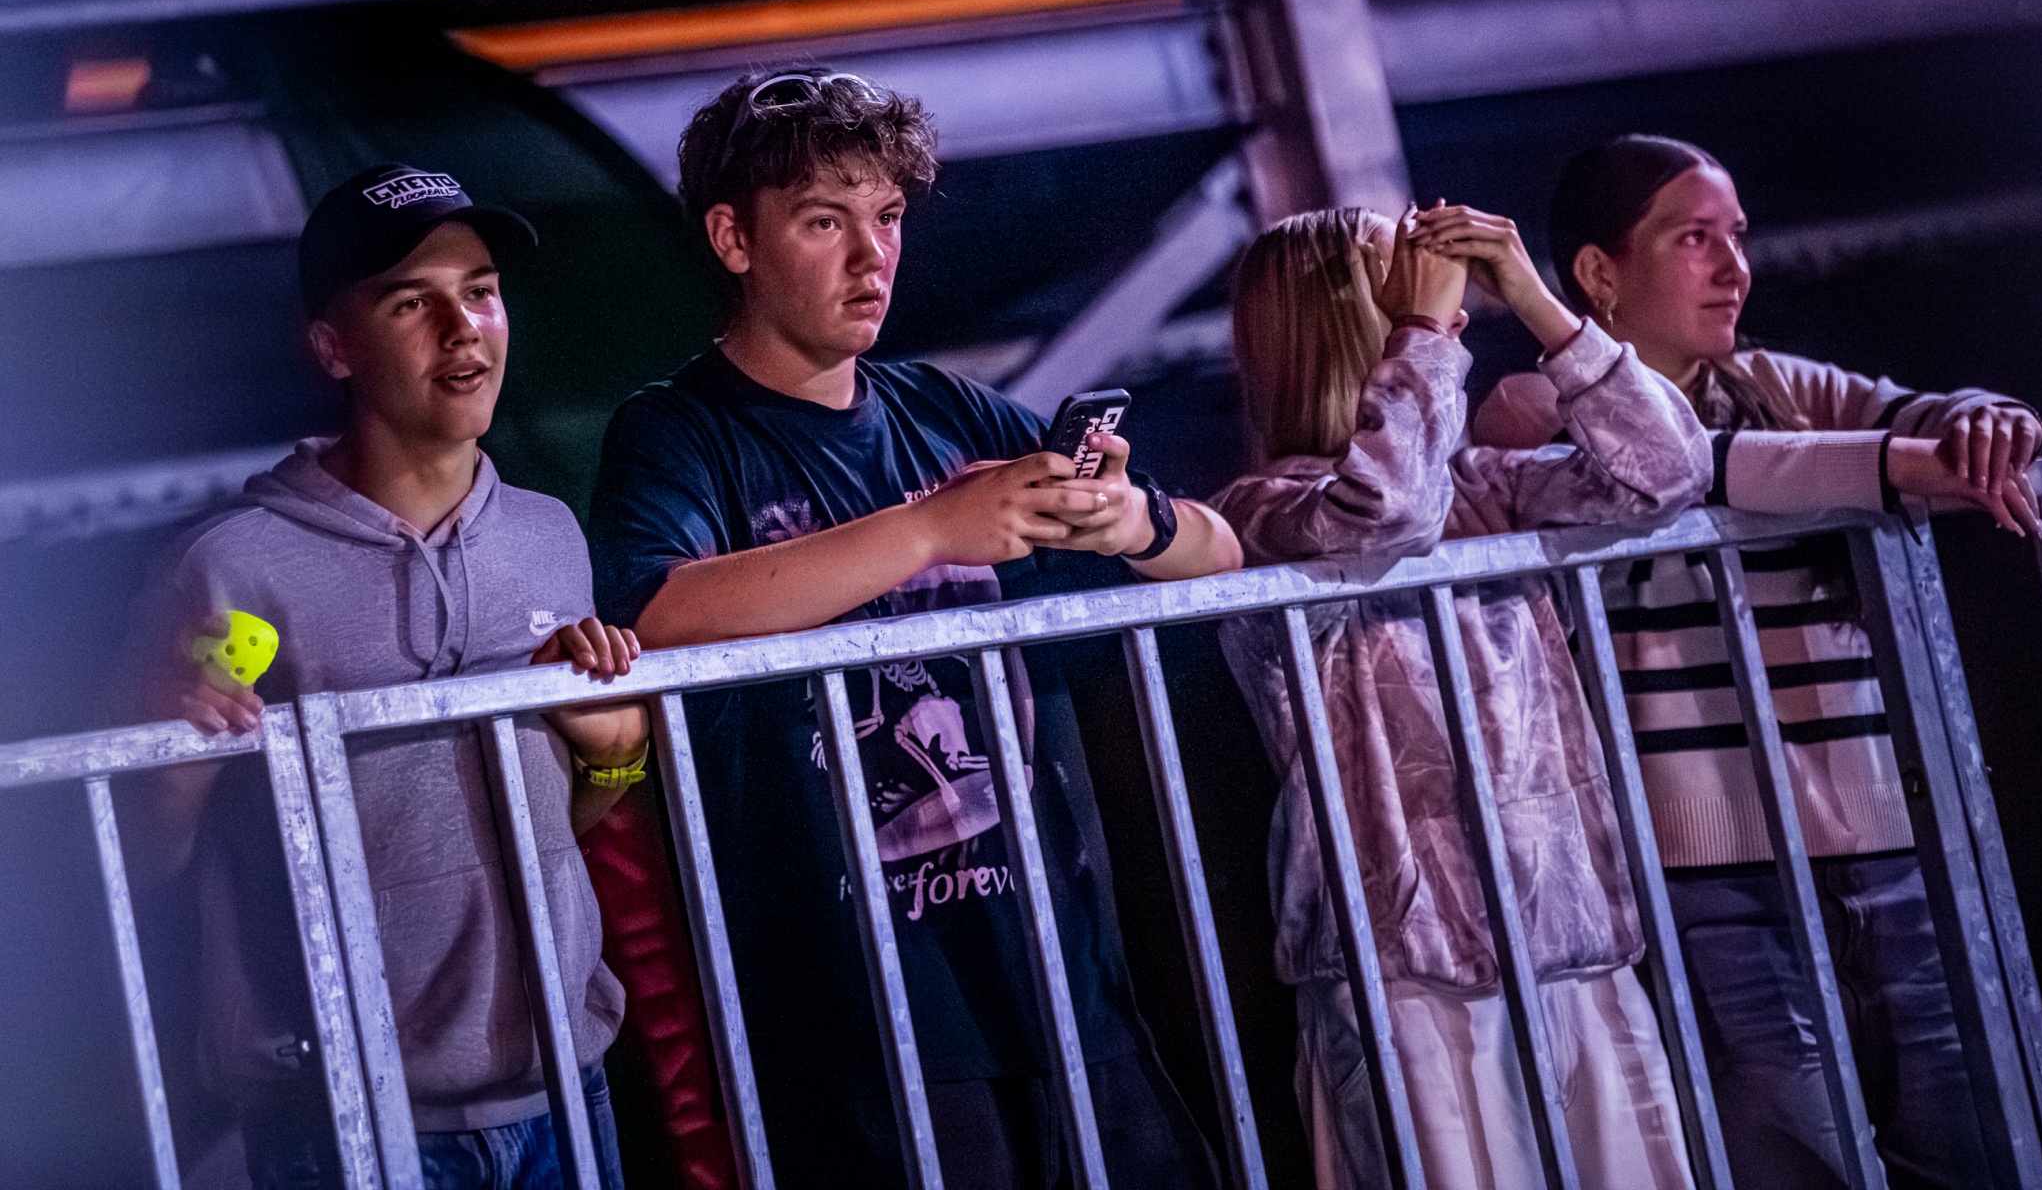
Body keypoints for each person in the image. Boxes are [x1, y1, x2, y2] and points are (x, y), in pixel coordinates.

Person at [585, 69, 1241, 1189]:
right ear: (733, 239)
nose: (871, 256)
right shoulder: (675, 433)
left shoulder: (944, 408)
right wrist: (932, 529)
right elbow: (658, 612)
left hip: (1058, 973)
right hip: (855, 1016)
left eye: (886, 216)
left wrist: (1132, 519)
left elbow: (1222, 555)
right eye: (824, 221)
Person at [1474, 134, 2042, 1189]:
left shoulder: (1777, 382)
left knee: (1969, 1136)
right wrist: (1900, 466)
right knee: (1794, 1144)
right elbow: (1684, 468)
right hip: (1705, 865)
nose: (1735, 267)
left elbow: (1928, 413)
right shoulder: (1534, 410)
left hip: (1880, 833)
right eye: (1695, 239)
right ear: (1598, 273)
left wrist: (1984, 418)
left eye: (1736, 236)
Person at [131, 164, 651, 1190]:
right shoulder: (229, 570)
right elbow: (136, 858)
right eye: (413, 302)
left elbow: (554, 820)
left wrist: (618, 758)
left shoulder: (550, 536)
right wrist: (170, 773)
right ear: (333, 347)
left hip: (563, 1086)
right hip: (346, 1122)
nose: (463, 329)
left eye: (481, 290)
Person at [1213, 200, 1709, 1189]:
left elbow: (1670, 470)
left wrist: (1535, 299)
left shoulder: (1486, 486)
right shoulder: (1260, 513)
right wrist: (1426, 332)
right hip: (1406, 977)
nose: (1429, 279)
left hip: (1570, 940)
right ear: (1340, 314)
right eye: (1395, 268)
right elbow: (1387, 510)